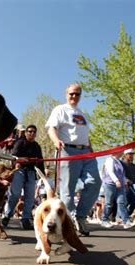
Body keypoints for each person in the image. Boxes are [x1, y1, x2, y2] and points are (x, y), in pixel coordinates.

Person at [46, 83, 102, 236]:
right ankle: (69, 221)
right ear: (66, 94)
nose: (74, 96)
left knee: (95, 182)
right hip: (68, 151)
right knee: (67, 189)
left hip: (86, 152)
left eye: (77, 94)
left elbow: (84, 134)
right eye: (71, 93)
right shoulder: (60, 109)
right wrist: (56, 141)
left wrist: (91, 149)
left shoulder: (82, 114)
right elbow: (52, 128)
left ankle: (81, 216)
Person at [2, 124, 44, 230]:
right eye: (29, 131)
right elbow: (13, 157)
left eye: (34, 132)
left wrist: (43, 176)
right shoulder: (20, 142)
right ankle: (8, 215)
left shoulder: (37, 146)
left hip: (30, 172)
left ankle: (25, 219)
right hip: (19, 171)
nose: (32, 133)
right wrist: (20, 160)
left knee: (30, 197)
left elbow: (40, 161)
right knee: (15, 194)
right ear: (25, 133)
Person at [100, 150, 135, 229]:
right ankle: (104, 220)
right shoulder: (109, 159)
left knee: (122, 202)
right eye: (121, 151)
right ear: (116, 151)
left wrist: (124, 183)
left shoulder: (119, 162)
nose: (122, 153)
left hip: (121, 185)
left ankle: (126, 222)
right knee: (108, 203)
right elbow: (110, 171)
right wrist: (116, 180)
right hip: (110, 184)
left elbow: (122, 174)